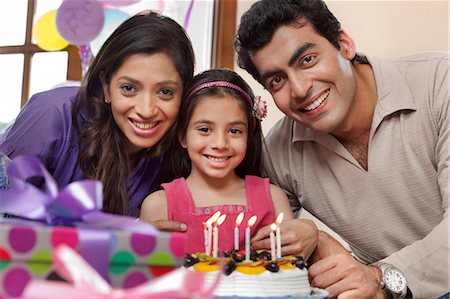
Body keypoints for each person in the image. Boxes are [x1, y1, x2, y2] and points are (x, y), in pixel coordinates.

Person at [235, 0, 449, 298]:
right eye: (278, 79)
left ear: (344, 45)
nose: (299, 89)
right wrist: (315, 237)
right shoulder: (278, 152)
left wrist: (381, 277)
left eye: (307, 59)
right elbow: (261, 247)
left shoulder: (441, 83)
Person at [0, 11, 195, 217]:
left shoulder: (180, 151)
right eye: (129, 88)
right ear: (106, 85)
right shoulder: (53, 113)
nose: (146, 110)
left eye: (165, 92)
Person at [140, 68, 318, 256]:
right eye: (204, 129)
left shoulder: (273, 199)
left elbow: (289, 270)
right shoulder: (158, 205)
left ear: (249, 136)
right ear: (183, 136)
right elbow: (142, 278)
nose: (220, 144)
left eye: (234, 131)